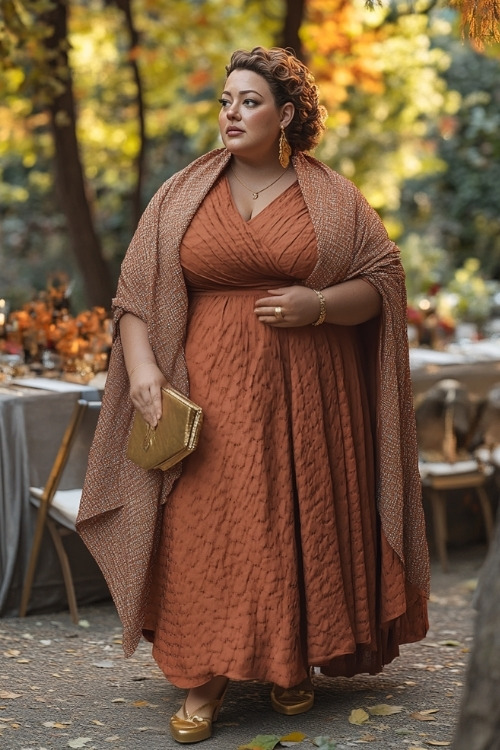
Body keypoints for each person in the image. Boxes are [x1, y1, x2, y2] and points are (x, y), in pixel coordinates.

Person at [77, 46, 430, 744]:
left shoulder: (331, 197)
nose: (231, 113)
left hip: (312, 398)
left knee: (297, 521)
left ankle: (285, 659)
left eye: (249, 101)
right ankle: (198, 678)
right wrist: (144, 369)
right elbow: (135, 297)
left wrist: (321, 304)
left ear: (286, 115)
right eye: (225, 101)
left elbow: (382, 285)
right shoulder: (182, 194)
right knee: (207, 531)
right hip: (206, 394)